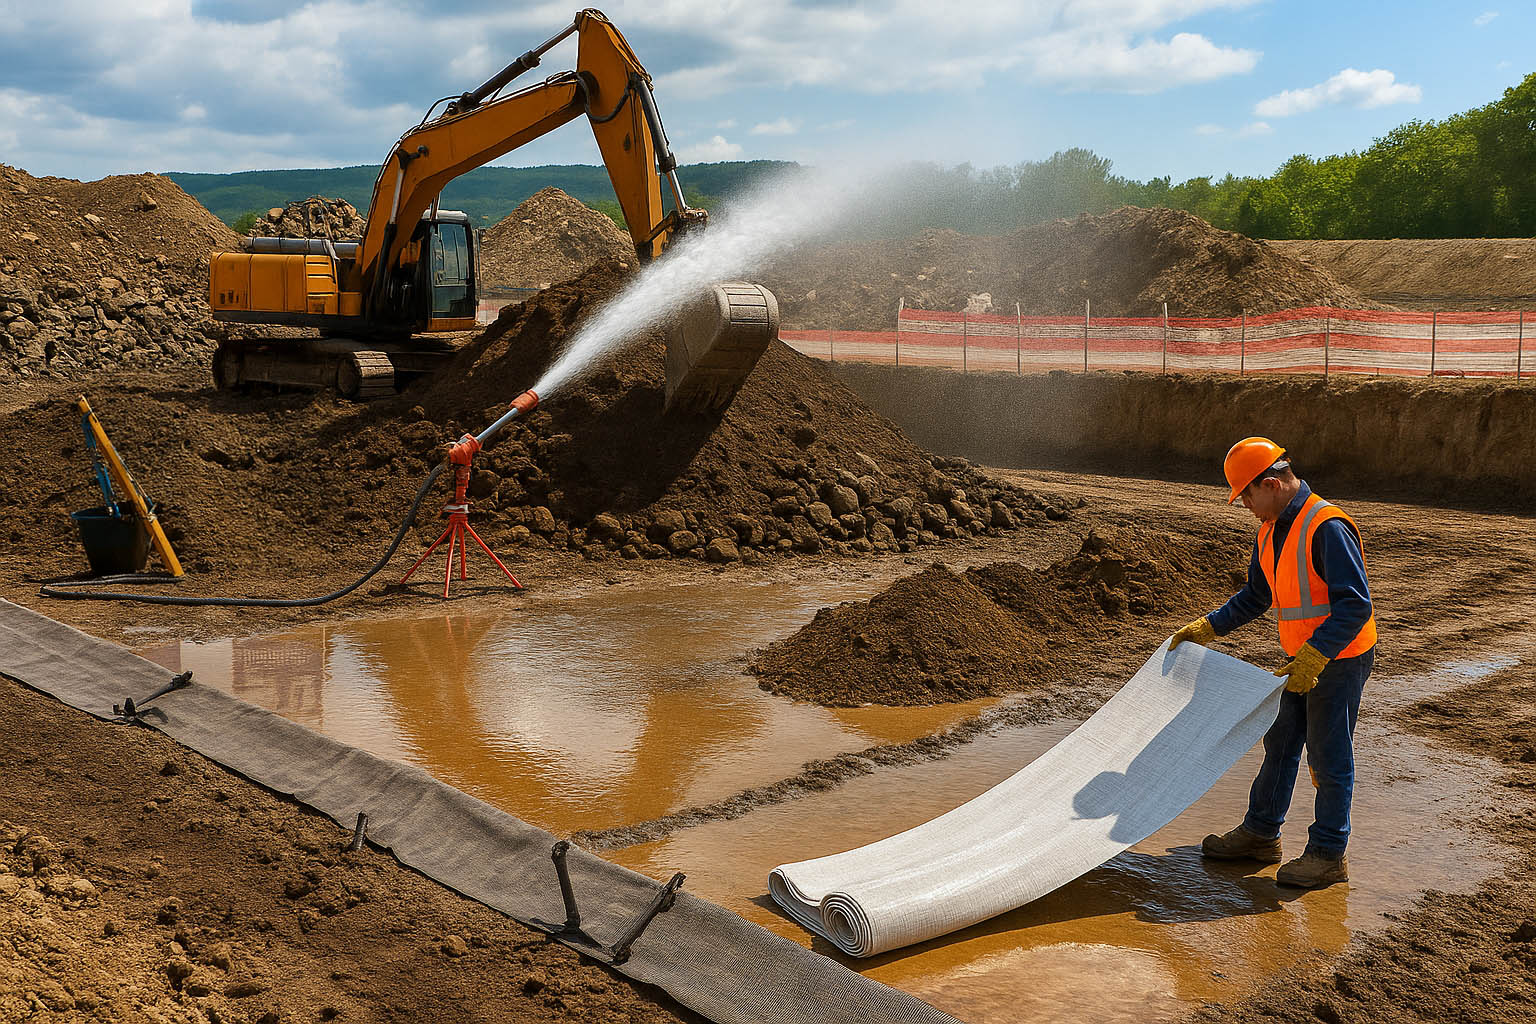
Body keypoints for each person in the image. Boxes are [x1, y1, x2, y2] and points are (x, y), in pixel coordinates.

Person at [1171, 437, 1376, 889]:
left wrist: (1317, 655)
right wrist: (1209, 627)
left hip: (1338, 660)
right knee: (1280, 745)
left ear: (1272, 483)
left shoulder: (1326, 526)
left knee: (1328, 758)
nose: (1244, 504)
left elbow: (1354, 605)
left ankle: (1327, 853)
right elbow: (1257, 595)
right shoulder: (1271, 527)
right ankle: (1261, 833)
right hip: (1300, 659)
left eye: (1246, 494)